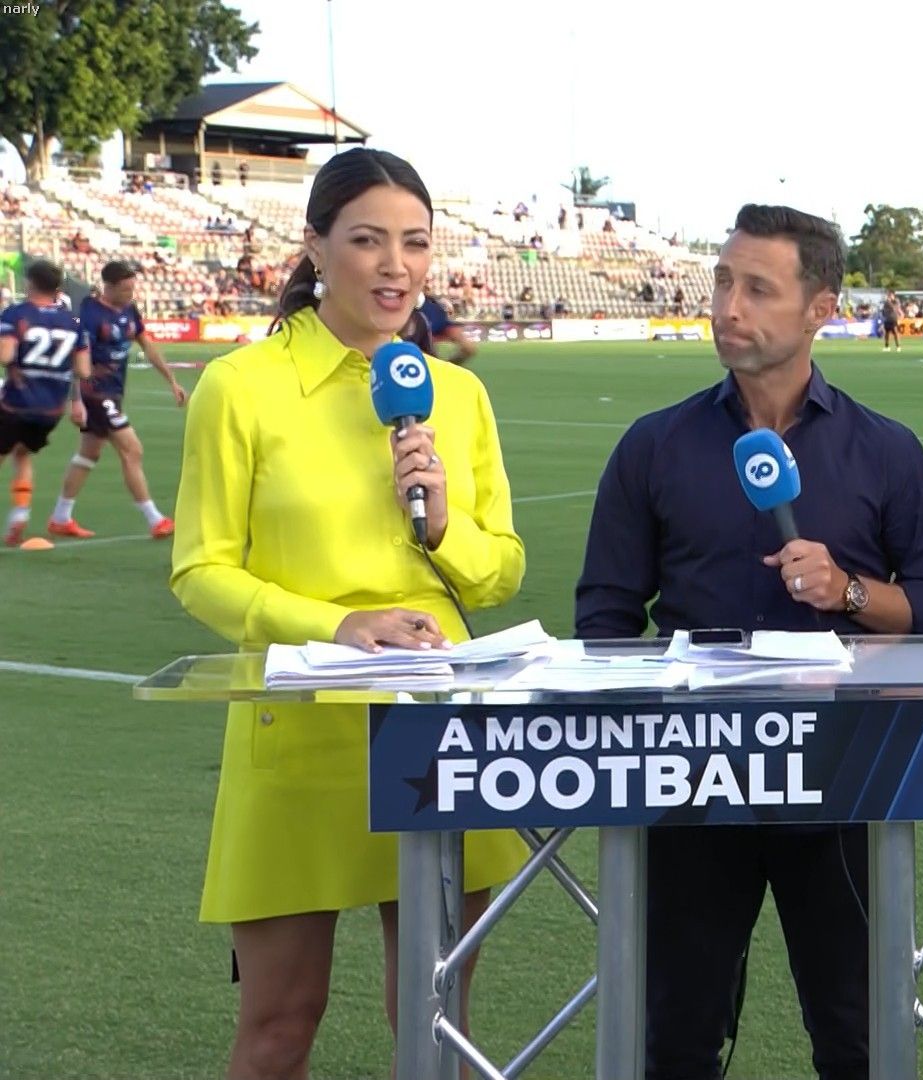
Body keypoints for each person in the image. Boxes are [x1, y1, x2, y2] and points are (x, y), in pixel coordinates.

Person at [575, 203, 923, 1080]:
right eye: (723, 282)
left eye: (757, 289)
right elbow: (604, 619)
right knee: (676, 1038)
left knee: (858, 1035)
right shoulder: (654, 446)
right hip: (692, 780)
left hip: (843, 776)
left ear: (820, 309)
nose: (728, 307)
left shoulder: (885, 450)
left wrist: (850, 592)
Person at [169, 147, 528, 1080]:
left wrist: (442, 527)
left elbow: (501, 571)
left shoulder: (459, 394)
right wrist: (337, 625)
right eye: (368, 240)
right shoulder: (241, 387)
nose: (395, 266)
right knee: (278, 1029)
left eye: (416, 242)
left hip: (439, 736)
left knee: (437, 1025)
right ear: (315, 246)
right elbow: (201, 572)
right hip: (301, 742)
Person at [47, 261, 188, 540]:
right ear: (108, 287)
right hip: (95, 392)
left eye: (133, 289)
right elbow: (78, 355)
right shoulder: (89, 313)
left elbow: (147, 345)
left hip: (113, 392)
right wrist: (76, 399)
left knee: (89, 453)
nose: (130, 294)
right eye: (125, 289)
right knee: (132, 450)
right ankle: (155, 519)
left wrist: (171, 380)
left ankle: (61, 517)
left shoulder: (129, 310)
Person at [0, 259, 92, 547]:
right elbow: (84, 369)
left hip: (16, 402)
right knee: (23, 453)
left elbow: (5, 355)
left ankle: (19, 515)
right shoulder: (72, 322)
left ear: (30, 283)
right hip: (51, 409)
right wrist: (77, 401)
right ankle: (20, 513)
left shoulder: (16, 314)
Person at [402, 291, 479, 365]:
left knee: (469, 348)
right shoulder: (409, 300)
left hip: (442, 323)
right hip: (423, 326)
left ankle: (448, 367)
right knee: (429, 354)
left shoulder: (431, 300)